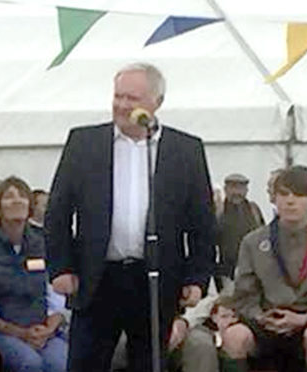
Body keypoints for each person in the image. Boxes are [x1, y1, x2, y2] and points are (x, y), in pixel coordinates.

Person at [45, 62, 216, 371]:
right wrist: (60, 267)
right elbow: (57, 211)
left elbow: (202, 221)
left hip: (155, 279)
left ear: (156, 103)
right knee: (86, 362)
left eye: (132, 99)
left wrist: (197, 277)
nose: (122, 106)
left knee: (148, 362)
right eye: (118, 96)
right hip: (98, 278)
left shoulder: (185, 149)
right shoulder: (85, 143)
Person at [222, 165, 307, 372]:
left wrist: (305, 318)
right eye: (283, 194)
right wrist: (260, 316)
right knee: (234, 337)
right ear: (274, 199)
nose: (290, 201)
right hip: (265, 321)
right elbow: (244, 294)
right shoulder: (253, 242)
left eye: (298, 195)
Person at [0, 176, 68, 372]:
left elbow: (55, 292)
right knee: (30, 364)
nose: (17, 200)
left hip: (44, 330)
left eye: (22, 196)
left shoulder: (42, 243)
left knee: (61, 363)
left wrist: (49, 329)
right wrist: (21, 333)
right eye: (9, 197)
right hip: (4, 332)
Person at [218, 173, 264, 279]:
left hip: (253, 272)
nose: (237, 192)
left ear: (246, 190)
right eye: (233, 187)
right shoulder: (218, 211)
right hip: (226, 274)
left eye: (241, 188)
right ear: (226, 189)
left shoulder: (254, 210)